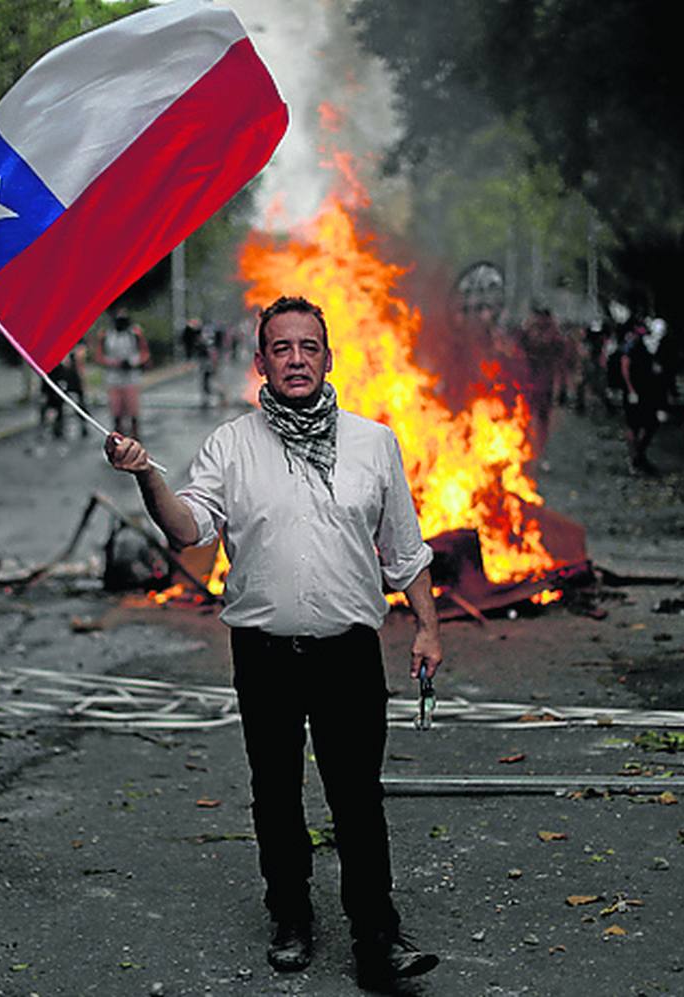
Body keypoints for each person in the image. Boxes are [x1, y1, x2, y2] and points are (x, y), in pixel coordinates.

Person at [104, 295, 442, 988]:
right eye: (281, 348)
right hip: (263, 653)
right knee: (276, 793)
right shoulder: (232, 444)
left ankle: (377, 934)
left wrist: (429, 626)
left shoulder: (373, 442)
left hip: (349, 651)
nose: (295, 359)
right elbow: (188, 528)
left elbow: (404, 550)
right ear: (262, 361)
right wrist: (147, 474)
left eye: (308, 347)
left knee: (357, 796)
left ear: (327, 356)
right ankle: (290, 915)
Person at [95, 308, 150, 438]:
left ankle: (135, 436)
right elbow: (99, 356)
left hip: (131, 377)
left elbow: (145, 353)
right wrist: (113, 363)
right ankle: (118, 437)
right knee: (116, 409)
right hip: (113, 377)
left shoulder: (135, 334)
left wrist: (133, 362)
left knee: (133, 408)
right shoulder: (106, 335)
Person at [619, 321, 660, 473]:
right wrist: (631, 390)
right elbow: (625, 368)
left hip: (646, 391)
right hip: (634, 392)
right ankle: (634, 459)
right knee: (633, 426)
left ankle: (639, 455)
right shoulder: (630, 346)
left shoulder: (649, 347)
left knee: (650, 424)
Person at [41, 339, 89, 439]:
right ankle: (57, 426)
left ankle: (83, 424)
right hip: (56, 372)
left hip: (69, 374)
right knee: (55, 400)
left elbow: (81, 351)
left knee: (78, 401)